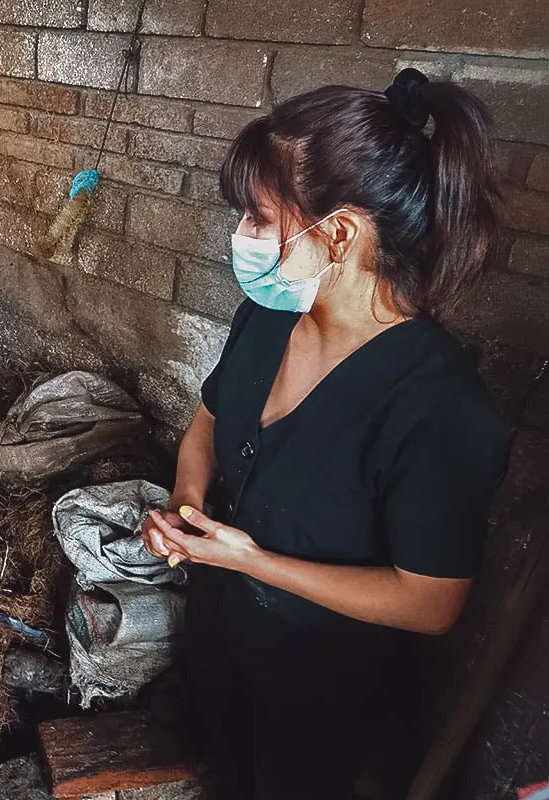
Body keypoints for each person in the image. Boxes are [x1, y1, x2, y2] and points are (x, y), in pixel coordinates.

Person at [140, 68, 512, 799]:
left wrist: (252, 562)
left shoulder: (439, 409)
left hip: (324, 695)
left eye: (255, 216)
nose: (239, 236)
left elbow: (430, 603)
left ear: (337, 233)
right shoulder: (270, 317)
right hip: (224, 644)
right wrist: (188, 512)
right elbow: (210, 422)